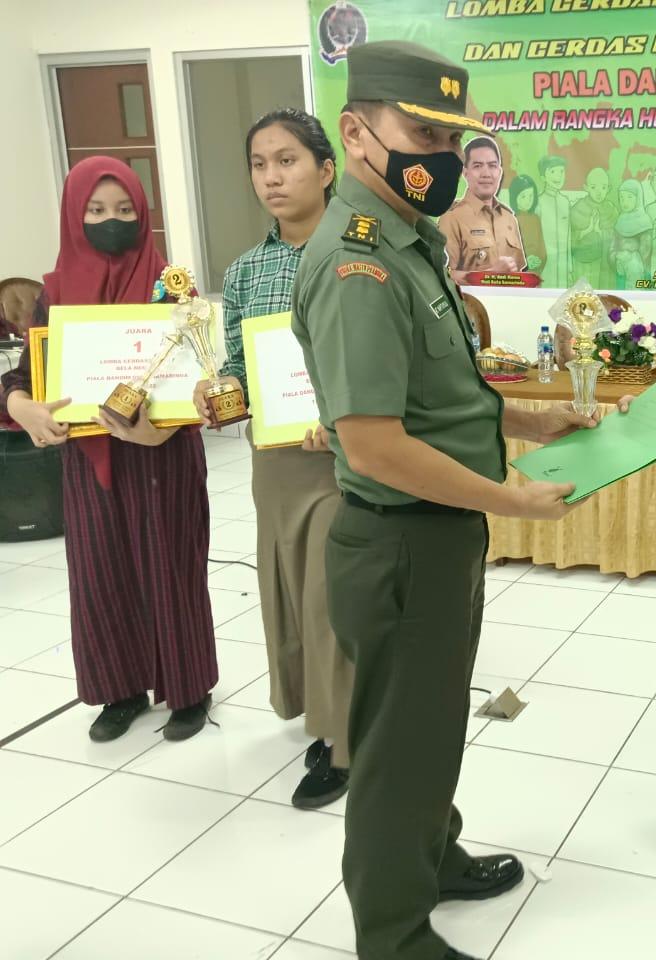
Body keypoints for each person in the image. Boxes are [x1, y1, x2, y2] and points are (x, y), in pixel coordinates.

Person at [291, 40, 604, 960]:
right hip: (398, 542)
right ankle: (392, 933)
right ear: (356, 134)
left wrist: (534, 423)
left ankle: (433, 857)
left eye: (450, 138)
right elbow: (373, 444)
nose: (441, 155)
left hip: (436, 537)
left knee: (430, 727)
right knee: (398, 748)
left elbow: (441, 399)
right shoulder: (357, 266)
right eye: (422, 133)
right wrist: (511, 502)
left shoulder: (410, 242)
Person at [0, 158, 217, 742]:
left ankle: (189, 689)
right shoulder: (55, 293)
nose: (111, 221)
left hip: (163, 454)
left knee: (171, 568)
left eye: (124, 209)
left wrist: (162, 430)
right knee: (100, 573)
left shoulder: (171, 283)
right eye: (95, 210)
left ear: (143, 213)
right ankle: (120, 691)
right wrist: (23, 407)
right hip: (88, 459)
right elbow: (23, 377)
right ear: (74, 215)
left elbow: (200, 373)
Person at [193, 108, 351, 809]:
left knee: (332, 597)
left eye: (287, 160)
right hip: (278, 459)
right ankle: (321, 712)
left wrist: (343, 419)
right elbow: (240, 365)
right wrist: (217, 391)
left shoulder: (361, 252)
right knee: (289, 589)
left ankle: (346, 740)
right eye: (259, 164)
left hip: (350, 454)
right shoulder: (246, 270)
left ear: (326, 169)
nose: (272, 177)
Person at [438, 136, 525, 285]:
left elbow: (519, 273)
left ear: (500, 172)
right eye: (478, 166)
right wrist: (490, 275)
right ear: (465, 173)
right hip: (470, 300)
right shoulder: (452, 218)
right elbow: (442, 276)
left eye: (492, 166)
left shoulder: (509, 218)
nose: (486, 174)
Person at [570, 166, 617, 287]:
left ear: (608, 188)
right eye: (593, 187)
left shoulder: (611, 210)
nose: (599, 192)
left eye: (603, 187)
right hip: (581, 262)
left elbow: (617, 238)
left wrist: (600, 232)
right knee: (583, 293)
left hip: (604, 263)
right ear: (586, 188)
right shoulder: (577, 208)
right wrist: (587, 230)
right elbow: (568, 237)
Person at [537, 155, 573, 286]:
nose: (558, 176)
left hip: (563, 266)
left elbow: (569, 238)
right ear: (543, 177)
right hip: (545, 265)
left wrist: (570, 267)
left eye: (561, 171)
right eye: (552, 171)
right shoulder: (538, 203)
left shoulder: (565, 202)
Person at [611, 179, 652, 288]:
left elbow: (646, 250)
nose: (625, 202)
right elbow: (614, 244)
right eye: (621, 198)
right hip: (620, 268)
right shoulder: (620, 220)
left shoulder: (644, 220)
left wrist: (632, 257)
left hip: (637, 270)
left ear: (638, 198)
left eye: (629, 197)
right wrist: (616, 257)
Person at [509, 173, 545, 275]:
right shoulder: (510, 219)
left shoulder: (535, 219)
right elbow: (508, 250)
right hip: (517, 275)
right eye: (523, 196)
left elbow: (542, 248)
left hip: (535, 272)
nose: (528, 200)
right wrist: (525, 261)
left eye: (531, 196)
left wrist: (538, 260)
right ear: (514, 197)